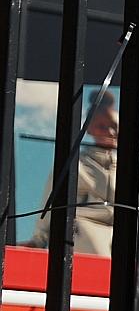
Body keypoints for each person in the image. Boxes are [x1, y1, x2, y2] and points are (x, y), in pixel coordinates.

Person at [27, 88, 119, 255]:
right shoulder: (75, 165)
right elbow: (51, 201)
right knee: (103, 266)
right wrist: (38, 239)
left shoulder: (130, 171)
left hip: (120, 231)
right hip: (84, 229)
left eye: (114, 126)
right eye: (102, 126)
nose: (110, 132)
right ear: (89, 129)